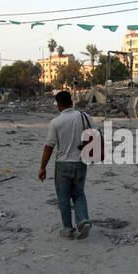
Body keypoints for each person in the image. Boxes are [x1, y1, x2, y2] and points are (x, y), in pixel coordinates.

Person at [38, 91, 96, 240]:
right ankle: (83, 221)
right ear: (71, 101)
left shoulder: (56, 122)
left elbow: (49, 147)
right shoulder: (85, 117)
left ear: (58, 104)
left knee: (63, 198)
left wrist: (42, 167)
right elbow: (96, 135)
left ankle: (68, 230)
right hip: (81, 162)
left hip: (63, 164)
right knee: (78, 194)